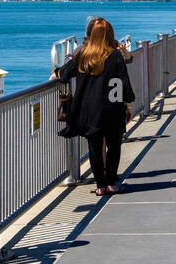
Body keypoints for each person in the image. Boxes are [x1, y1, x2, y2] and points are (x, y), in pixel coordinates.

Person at [55, 17, 135, 196]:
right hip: (112, 107)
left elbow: (64, 73)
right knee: (114, 146)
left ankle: (100, 185)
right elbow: (121, 83)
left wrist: (56, 73)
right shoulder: (114, 55)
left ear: (91, 35)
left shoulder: (83, 55)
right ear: (109, 35)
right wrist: (126, 103)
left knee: (95, 147)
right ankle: (112, 182)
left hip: (89, 109)